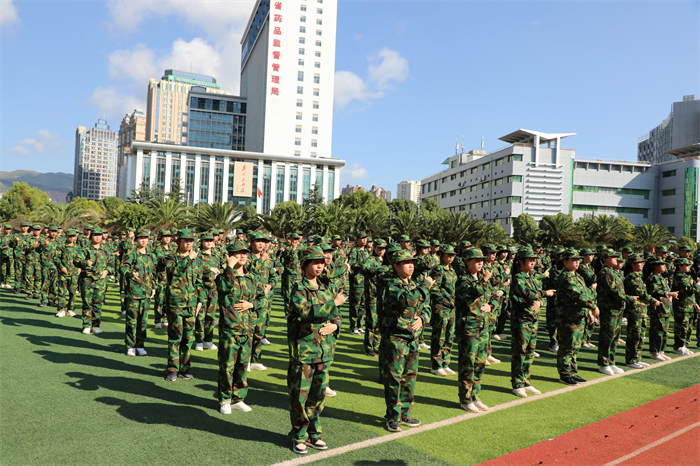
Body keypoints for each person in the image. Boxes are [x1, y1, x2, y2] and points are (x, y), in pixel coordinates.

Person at [287, 246, 345, 454]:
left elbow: (337, 315)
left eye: (322, 262)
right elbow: (305, 312)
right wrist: (333, 303)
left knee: (318, 396)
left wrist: (335, 325)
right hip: (304, 351)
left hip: (324, 351)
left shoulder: (326, 288)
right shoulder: (299, 289)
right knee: (300, 397)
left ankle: (314, 434)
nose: (320, 266)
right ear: (305, 265)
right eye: (315, 262)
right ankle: (299, 436)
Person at [379, 250, 433, 431]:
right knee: (394, 379)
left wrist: (422, 319)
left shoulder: (415, 285)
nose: (411, 265)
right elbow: (409, 300)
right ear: (396, 266)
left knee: (409, 378)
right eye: (406, 263)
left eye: (412, 262)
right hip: (396, 338)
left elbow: (426, 306)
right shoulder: (391, 285)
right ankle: (392, 417)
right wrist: (426, 284)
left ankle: (405, 414)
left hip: (412, 339)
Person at [216, 240, 265, 414]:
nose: (242, 255)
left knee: (243, 366)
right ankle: (225, 400)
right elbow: (224, 287)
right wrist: (229, 267)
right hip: (230, 330)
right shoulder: (224, 277)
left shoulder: (252, 278)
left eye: (244, 253)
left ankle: (238, 398)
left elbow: (262, 299)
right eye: (238, 253)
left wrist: (251, 305)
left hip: (248, 329)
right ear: (229, 256)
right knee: (227, 366)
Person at [510, 247, 555, 397]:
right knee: (520, 353)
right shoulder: (518, 278)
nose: (533, 262)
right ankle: (517, 384)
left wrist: (540, 302)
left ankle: (526, 382)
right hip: (521, 320)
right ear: (521, 262)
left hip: (533, 319)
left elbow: (538, 297)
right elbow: (528, 294)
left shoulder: (533, 277)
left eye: (534, 260)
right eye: (529, 260)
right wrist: (544, 294)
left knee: (529, 353)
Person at [161, 228, 205, 381]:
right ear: (178, 241)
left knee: (188, 338)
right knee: (175, 337)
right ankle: (173, 369)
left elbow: (199, 282)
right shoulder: (171, 257)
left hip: (191, 304)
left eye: (191, 241)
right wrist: (189, 259)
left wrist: (200, 300)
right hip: (175, 303)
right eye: (185, 240)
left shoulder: (197, 260)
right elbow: (174, 272)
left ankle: (185, 369)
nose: (188, 243)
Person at [555, 248, 598, 385]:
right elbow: (579, 296)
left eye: (578, 259)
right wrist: (593, 306)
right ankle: (565, 374)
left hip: (578, 316)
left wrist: (589, 311)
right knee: (567, 347)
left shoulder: (577, 276)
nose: (577, 262)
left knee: (575, 347)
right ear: (565, 261)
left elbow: (587, 293)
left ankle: (572, 372)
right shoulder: (566, 277)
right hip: (568, 317)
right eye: (573, 260)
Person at [597, 249, 637, 375]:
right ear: (605, 259)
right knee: (607, 337)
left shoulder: (614, 272)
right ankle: (604, 363)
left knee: (615, 337)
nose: (616, 259)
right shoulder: (605, 272)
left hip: (617, 309)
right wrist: (629, 298)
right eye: (612, 257)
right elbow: (614, 291)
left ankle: (611, 361)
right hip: (609, 309)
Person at [623, 253, 656, 368]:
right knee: (634, 336)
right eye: (639, 263)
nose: (642, 264)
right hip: (635, 310)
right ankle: (631, 359)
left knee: (641, 335)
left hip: (641, 310)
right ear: (632, 264)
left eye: (642, 262)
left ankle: (637, 358)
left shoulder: (638, 276)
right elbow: (640, 293)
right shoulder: (631, 277)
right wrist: (653, 301)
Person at [75, 227, 111, 334]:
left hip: (100, 281)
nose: (98, 237)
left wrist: (107, 271)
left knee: (98, 303)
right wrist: (85, 263)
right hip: (87, 280)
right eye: (95, 235)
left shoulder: (106, 250)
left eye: (99, 235)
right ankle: (86, 324)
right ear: (91, 237)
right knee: (87, 303)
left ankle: (96, 325)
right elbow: (76, 261)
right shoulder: (85, 249)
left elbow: (112, 263)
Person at [429, 245, 458, 376]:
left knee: (449, 336)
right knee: (439, 336)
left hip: (451, 308)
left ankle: (445, 362)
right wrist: (446, 301)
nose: (451, 257)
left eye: (452, 255)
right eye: (448, 255)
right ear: (442, 255)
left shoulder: (452, 270)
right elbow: (434, 288)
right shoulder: (438, 269)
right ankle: (436, 365)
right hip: (442, 307)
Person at [195, 232, 222, 352]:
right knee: (200, 316)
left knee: (211, 316)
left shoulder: (216, 255)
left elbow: (220, 268)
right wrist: (209, 269)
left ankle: (208, 340)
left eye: (211, 240)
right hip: (202, 289)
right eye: (206, 240)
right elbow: (196, 269)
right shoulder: (198, 255)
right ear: (201, 242)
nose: (209, 242)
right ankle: (199, 341)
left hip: (214, 289)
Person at [646, 259, 676, 361]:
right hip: (658, 308)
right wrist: (670, 294)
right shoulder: (653, 278)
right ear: (656, 266)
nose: (664, 266)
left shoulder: (661, 278)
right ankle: (655, 352)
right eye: (662, 264)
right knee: (657, 330)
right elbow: (655, 291)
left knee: (664, 331)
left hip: (665, 308)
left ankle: (661, 351)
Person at [671, 257, 699, 355]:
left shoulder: (686, 276)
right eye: (686, 265)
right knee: (681, 327)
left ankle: (683, 345)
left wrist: (695, 304)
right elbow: (691, 290)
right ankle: (678, 346)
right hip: (682, 306)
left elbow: (690, 294)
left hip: (688, 305)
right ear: (680, 266)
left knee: (688, 327)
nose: (688, 267)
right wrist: (698, 284)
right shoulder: (680, 277)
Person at [55, 229, 80, 317]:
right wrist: (61, 267)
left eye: (73, 236)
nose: (71, 238)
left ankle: (70, 309)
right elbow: (56, 258)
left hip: (74, 273)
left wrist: (80, 267)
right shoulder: (61, 247)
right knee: (61, 291)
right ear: (66, 236)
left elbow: (82, 259)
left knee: (73, 292)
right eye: (70, 236)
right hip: (64, 273)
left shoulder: (78, 248)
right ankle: (61, 309)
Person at [348, 231, 369, 335]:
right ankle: (353, 327)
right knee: (355, 304)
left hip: (365, 281)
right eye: (362, 238)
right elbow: (351, 263)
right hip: (357, 281)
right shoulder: (354, 250)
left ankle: (360, 325)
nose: (364, 240)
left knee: (363, 305)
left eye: (365, 238)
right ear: (357, 240)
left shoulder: (367, 251)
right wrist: (362, 266)